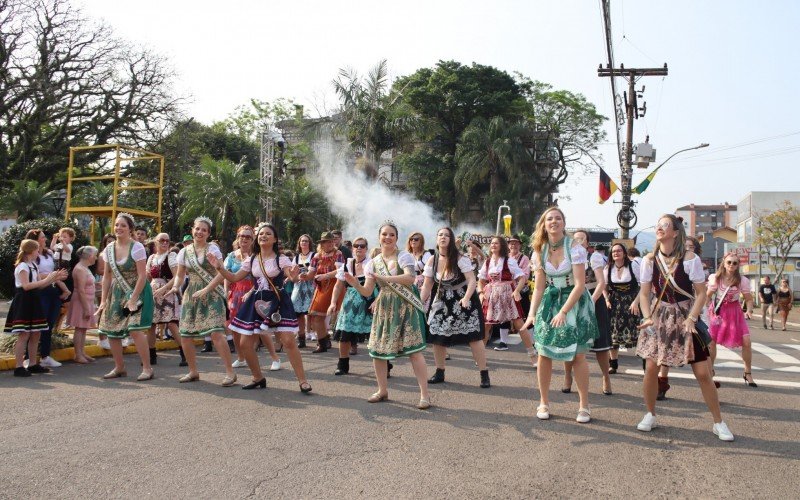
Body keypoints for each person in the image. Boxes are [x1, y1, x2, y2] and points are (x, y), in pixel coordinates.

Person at [635, 214, 734, 441]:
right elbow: (644, 293)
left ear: (676, 232)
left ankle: (718, 422)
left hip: (685, 316)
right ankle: (650, 414)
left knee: (702, 372)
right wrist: (647, 316)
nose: (659, 228)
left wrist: (692, 317)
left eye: (664, 225)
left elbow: (700, 294)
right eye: (658, 225)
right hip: (659, 317)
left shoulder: (689, 259)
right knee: (651, 368)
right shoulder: (650, 260)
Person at [211, 223, 312, 393]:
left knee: (288, 341)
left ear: (274, 239)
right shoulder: (251, 260)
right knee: (244, 343)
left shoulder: (282, 259)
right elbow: (234, 278)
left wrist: (294, 276)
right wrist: (219, 267)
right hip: (256, 301)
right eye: (261, 234)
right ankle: (257, 377)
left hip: (278, 300)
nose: (263, 236)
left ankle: (303, 381)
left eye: (267, 234)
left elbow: (291, 276)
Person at [345, 221, 431, 409]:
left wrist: (384, 278)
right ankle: (382, 390)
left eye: (391, 234)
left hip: (405, 305)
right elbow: (368, 292)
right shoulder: (373, 263)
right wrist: (355, 284)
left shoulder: (404, 256)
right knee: (378, 352)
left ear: (397, 238)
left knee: (414, 352)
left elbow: (410, 279)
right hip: (384, 308)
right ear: (379, 237)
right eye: (384, 234)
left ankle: (424, 395)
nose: (388, 237)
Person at [523, 207, 598, 423]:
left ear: (564, 223)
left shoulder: (575, 248)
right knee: (544, 353)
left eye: (558, 218)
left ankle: (584, 405)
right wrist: (531, 314)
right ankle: (543, 402)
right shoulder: (539, 250)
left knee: (577, 355)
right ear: (544, 224)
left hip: (574, 301)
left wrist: (564, 311)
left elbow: (580, 284)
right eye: (549, 219)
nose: (554, 222)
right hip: (551, 300)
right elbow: (538, 287)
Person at [170, 216, 236, 386]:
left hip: (212, 292)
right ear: (192, 229)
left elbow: (222, 272)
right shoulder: (185, 251)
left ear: (208, 233)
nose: (199, 232)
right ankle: (193, 371)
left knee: (216, 333)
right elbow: (179, 274)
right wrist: (176, 287)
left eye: (203, 230)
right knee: (185, 335)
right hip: (192, 293)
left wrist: (207, 289)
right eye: (197, 228)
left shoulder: (212, 248)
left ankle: (230, 373)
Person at [420, 227, 488, 388]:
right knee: (437, 336)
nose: (443, 237)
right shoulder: (432, 260)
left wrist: (465, 298)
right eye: (440, 235)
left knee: (474, 337)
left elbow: (472, 280)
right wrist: (419, 302)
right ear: (437, 239)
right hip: (442, 300)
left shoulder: (460, 258)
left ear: (451, 239)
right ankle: (440, 371)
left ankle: (484, 374)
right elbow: (427, 285)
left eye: (446, 235)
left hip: (464, 298)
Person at [96, 213, 155, 381]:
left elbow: (142, 275)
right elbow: (107, 276)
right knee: (112, 331)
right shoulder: (108, 249)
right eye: (116, 225)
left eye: (123, 225)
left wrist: (133, 298)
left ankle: (147, 368)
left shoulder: (136, 247)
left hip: (137, 290)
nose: (118, 228)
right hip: (116, 292)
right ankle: (119, 367)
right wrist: (103, 301)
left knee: (135, 330)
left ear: (130, 229)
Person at [5, 239, 68, 376]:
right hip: (24, 301)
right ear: (31, 251)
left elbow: (39, 285)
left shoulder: (33, 265)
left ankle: (33, 363)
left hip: (34, 299)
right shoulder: (22, 266)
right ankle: (19, 366)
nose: (39, 251)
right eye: (37, 249)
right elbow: (26, 286)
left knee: (36, 332)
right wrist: (47, 279)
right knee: (24, 334)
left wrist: (53, 278)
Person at [563, 231, 612, 396]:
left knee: (600, 344)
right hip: (573, 301)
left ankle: (606, 377)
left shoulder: (594, 258)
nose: (578, 240)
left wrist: (590, 301)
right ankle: (567, 377)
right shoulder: (569, 257)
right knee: (571, 341)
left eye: (581, 238)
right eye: (575, 238)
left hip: (593, 301)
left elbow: (601, 283)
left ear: (587, 242)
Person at [329, 237, 377, 375]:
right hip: (350, 303)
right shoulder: (347, 265)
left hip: (368, 302)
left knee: (375, 336)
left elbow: (381, 285)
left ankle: (385, 365)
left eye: (362, 246)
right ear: (352, 248)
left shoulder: (372, 264)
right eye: (356, 246)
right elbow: (338, 286)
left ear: (366, 248)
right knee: (344, 334)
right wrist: (333, 302)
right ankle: (342, 365)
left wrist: (377, 300)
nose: (359, 248)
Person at [477, 236, 531, 358]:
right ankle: (481, 357)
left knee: (518, 323)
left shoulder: (509, 261)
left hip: (507, 293)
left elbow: (521, 277)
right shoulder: (487, 262)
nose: (493, 245)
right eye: (492, 243)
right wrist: (481, 293)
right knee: (486, 325)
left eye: (496, 243)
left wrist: (517, 290)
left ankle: (532, 355)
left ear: (501, 246)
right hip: (491, 295)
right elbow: (481, 280)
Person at [707, 253, 756, 387]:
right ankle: (710, 372)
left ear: (738, 265)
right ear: (724, 262)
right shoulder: (716, 278)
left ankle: (748, 373)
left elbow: (749, 299)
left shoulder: (742, 280)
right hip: (719, 312)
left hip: (735, 313)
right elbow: (707, 296)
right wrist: (705, 311)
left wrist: (749, 310)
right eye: (729, 262)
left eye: (735, 263)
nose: (731, 265)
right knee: (711, 343)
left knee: (746, 341)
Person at [24, 229, 63, 369]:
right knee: (36, 325)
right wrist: (50, 276)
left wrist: (58, 278)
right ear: (35, 240)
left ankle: (45, 355)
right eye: (42, 237)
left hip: (51, 289)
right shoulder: (31, 257)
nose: (45, 239)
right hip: (39, 292)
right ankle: (28, 358)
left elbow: (54, 272)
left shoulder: (49, 253)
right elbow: (34, 275)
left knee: (49, 324)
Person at [147, 233, 184, 367]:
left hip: (167, 292)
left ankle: (184, 353)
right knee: (151, 324)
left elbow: (177, 276)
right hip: (153, 292)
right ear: (155, 242)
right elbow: (148, 277)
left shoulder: (171, 256)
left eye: (167, 240)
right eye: (161, 240)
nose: (165, 243)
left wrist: (164, 288)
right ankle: (152, 356)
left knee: (172, 323)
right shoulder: (151, 258)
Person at [604, 243, 641, 374]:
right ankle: (613, 364)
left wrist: (636, 302)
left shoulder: (633, 265)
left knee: (639, 334)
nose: (616, 253)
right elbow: (604, 286)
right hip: (615, 303)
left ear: (624, 253)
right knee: (613, 334)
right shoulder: (608, 268)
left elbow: (643, 285)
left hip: (632, 302)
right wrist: (607, 299)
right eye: (613, 251)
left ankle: (645, 364)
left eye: (619, 250)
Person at [306, 232, 344, 353]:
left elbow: (340, 271)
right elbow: (311, 274)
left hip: (335, 286)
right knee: (316, 316)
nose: (331, 243)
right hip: (321, 288)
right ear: (322, 244)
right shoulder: (317, 256)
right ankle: (323, 342)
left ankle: (350, 343)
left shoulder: (338, 254)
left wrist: (326, 275)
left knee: (340, 316)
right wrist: (302, 276)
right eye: (328, 241)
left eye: (332, 241)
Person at [495, 234, 532, 351]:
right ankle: (503, 342)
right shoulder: (503, 258)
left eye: (516, 243)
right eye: (511, 243)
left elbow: (525, 275)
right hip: (505, 291)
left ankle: (533, 342)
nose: (513, 245)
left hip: (520, 291)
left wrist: (513, 279)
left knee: (525, 315)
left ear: (520, 245)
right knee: (503, 315)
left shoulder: (524, 259)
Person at [66, 246, 98, 364]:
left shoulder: (85, 268)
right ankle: (78, 354)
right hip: (81, 301)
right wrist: (85, 308)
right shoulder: (80, 269)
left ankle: (81, 352)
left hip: (87, 300)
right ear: (89, 256)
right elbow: (80, 289)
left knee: (83, 328)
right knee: (79, 328)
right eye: (95, 255)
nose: (96, 257)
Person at [290, 234, 315, 348]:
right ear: (299, 244)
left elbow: (316, 271)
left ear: (309, 243)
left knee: (314, 313)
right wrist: (295, 276)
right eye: (302, 241)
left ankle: (321, 338)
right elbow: (293, 276)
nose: (304, 243)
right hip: (298, 287)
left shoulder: (314, 256)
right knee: (298, 314)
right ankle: (302, 338)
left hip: (311, 286)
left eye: (306, 241)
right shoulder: (295, 258)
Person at [94, 233, 116, 350]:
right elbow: (99, 270)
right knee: (103, 311)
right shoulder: (102, 255)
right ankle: (102, 338)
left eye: (113, 241)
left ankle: (111, 337)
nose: (110, 243)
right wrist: (112, 272)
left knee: (113, 312)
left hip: (116, 284)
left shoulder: (117, 254)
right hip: (104, 284)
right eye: (108, 241)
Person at [50, 227, 75, 301]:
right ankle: (63, 291)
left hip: (63, 264)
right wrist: (54, 239)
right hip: (56, 263)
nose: (62, 238)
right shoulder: (59, 245)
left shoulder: (69, 246)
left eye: (65, 237)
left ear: (71, 238)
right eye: (61, 236)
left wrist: (63, 242)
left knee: (56, 278)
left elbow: (67, 250)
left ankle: (66, 291)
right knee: (54, 278)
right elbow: (52, 247)